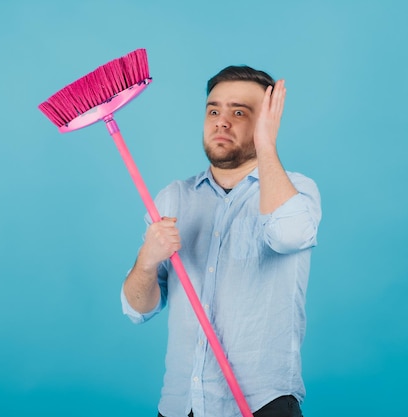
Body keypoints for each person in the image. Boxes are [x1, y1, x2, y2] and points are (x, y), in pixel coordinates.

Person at [121, 65, 322, 417]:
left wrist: (266, 145)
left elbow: (290, 234)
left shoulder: (297, 190)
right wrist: (148, 260)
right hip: (181, 406)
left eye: (239, 112)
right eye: (214, 110)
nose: (221, 122)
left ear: (266, 122)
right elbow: (137, 309)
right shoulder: (174, 198)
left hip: (262, 405)